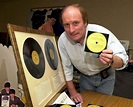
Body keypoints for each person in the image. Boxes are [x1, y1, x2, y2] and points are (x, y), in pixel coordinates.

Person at [58, 4, 128, 103]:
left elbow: (123, 59)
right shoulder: (63, 40)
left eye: (76, 23)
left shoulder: (100, 32)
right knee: (86, 103)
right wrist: (73, 92)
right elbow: (66, 68)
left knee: (103, 104)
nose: (71, 30)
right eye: (66, 25)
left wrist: (112, 60)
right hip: (84, 79)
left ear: (85, 22)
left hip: (106, 78)